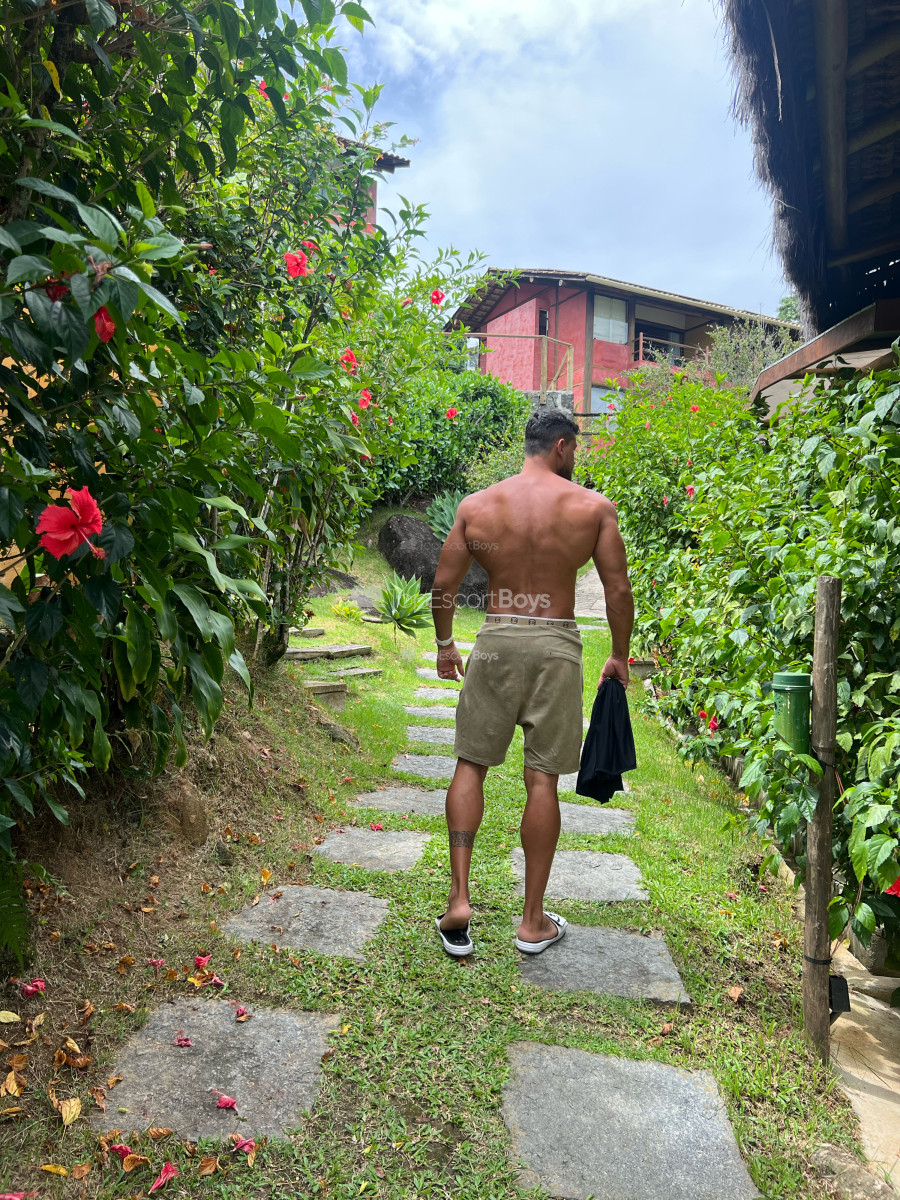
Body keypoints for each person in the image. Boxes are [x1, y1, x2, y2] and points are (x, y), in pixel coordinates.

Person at [430, 408, 634, 956]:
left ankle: (459, 900)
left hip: (496, 642)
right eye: (576, 449)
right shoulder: (592, 508)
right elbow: (617, 590)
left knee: (470, 764)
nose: (576, 458)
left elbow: (444, 583)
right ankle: (532, 921)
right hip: (556, 648)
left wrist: (446, 644)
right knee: (542, 781)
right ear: (562, 446)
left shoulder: (478, 506)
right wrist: (619, 655)